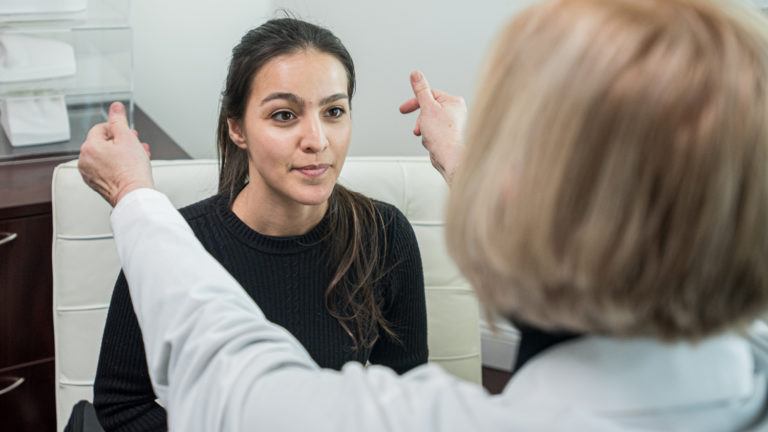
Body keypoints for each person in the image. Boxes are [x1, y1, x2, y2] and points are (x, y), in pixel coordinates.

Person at [78, 0, 768, 430]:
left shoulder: (383, 247)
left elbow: (225, 372)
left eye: (512, 152)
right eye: (285, 115)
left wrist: (136, 199)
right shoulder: (744, 365)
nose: (316, 138)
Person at [92, 18, 428, 432]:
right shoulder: (172, 241)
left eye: (334, 111)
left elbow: (405, 393)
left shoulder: (385, 234)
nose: (317, 139)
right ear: (237, 128)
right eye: (285, 115)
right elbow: (121, 403)